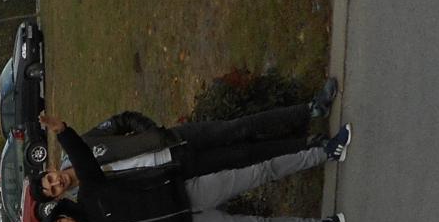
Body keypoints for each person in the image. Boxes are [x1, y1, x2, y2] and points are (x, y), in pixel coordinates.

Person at [36, 111, 351, 222]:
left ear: (64, 214)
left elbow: (83, 158)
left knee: (259, 172)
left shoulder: (90, 193)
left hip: (188, 192)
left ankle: (326, 152)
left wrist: (63, 132)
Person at [40, 83, 340, 193]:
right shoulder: (91, 193)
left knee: (238, 128)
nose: (57, 183)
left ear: (53, 170)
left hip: (174, 139)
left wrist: (152, 131)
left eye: (51, 179)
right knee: (244, 156)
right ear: (58, 195)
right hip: (179, 168)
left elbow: (122, 120)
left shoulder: (83, 145)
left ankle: (310, 109)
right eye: (53, 190)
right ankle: (307, 144)